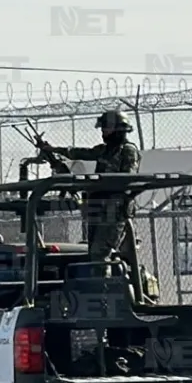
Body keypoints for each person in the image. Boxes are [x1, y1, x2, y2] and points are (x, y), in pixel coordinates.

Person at [43, 109, 141, 267]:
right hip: (98, 207)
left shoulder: (127, 150)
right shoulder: (104, 150)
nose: (103, 132)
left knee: (100, 254)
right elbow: (81, 153)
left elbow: (127, 178)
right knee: (93, 252)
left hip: (114, 209)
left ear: (118, 129)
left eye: (106, 128)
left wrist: (100, 183)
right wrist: (54, 150)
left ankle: (105, 288)